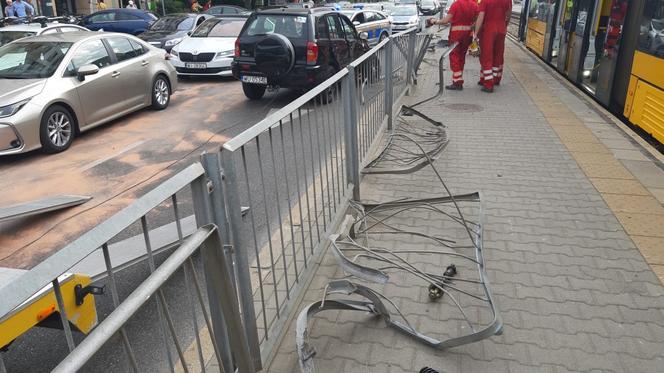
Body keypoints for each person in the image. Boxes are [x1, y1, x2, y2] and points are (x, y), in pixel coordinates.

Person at [426, 0, 479, 90]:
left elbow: (445, 21)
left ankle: (457, 82)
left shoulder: (456, 4)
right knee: (461, 57)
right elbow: (478, 19)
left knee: (454, 57)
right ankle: (458, 79)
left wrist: (434, 21)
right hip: (467, 35)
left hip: (456, 35)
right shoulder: (474, 5)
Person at [474, 0, 511, 92]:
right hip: (501, 28)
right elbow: (508, 14)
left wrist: (475, 33)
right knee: (498, 55)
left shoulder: (485, 1)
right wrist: (505, 25)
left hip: (489, 29)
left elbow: (480, 17)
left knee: (486, 56)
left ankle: (488, 84)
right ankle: (494, 79)